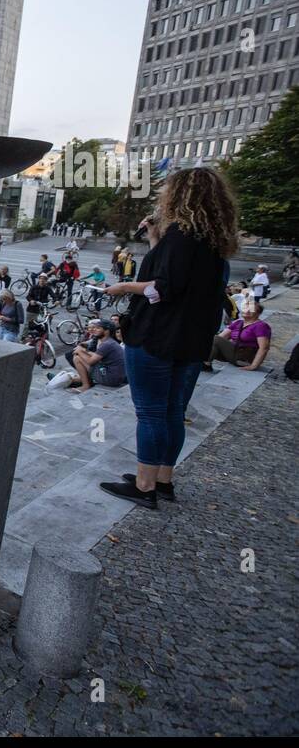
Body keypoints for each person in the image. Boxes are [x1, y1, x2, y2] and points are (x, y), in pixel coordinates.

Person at [98, 167, 239, 508]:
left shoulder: (182, 236)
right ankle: (163, 481)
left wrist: (123, 287)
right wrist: (154, 240)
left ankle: (144, 487)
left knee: (150, 413)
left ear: (179, 196)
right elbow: (180, 277)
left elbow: (163, 287)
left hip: (158, 337)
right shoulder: (214, 241)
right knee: (174, 412)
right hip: (192, 340)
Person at [51, 319, 126, 393]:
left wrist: (80, 351)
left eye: (98, 328)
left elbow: (90, 361)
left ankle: (85, 386)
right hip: (115, 376)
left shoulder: (106, 344)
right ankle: (83, 380)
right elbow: (96, 355)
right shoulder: (109, 342)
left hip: (110, 379)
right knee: (80, 356)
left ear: (107, 331)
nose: (95, 330)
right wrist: (84, 351)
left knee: (77, 358)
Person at [209, 300, 271, 371]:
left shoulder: (261, 326)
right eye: (245, 308)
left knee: (215, 338)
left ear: (258, 313)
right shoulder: (238, 323)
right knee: (211, 340)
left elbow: (264, 348)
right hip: (233, 353)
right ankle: (202, 363)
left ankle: (206, 364)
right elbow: (221, 337)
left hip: (244, 358)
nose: (247, 311)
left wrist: (253, 366)